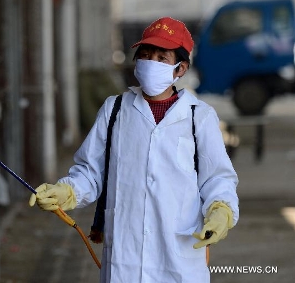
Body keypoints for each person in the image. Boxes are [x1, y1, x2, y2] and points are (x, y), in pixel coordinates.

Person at [29, 17, 239, 283]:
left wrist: (222, 209)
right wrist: (67, 190)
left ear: (180, 69)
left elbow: (217, 177)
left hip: (178, 255)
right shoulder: (115, 110)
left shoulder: (200, 116)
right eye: (145, 55)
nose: (151, 63)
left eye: (162, 58)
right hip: (124, 260)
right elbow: (91, 172)